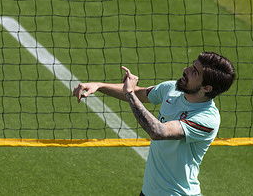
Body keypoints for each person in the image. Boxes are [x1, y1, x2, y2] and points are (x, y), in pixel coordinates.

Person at [73, 52, 236, 196]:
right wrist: (100, 86)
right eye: (191, 66)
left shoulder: (207, 119)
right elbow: (139, 93)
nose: (186, 70)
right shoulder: (172, 89)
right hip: (150, 191)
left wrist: (129, 92)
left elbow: (158, 131)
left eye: (194, 72)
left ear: (207, 87)